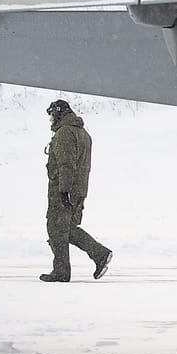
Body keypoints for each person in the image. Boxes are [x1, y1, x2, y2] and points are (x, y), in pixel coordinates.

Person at [40, 99, 113, 282]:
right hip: (79, 189)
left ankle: (62, 271)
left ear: (58, 113)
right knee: (68, 229)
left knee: (56, 228)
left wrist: (64, 191)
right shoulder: (83, 133)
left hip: (64, 189)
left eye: (51, 115)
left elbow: (66, 164)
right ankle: (99, 255)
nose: (50, 119)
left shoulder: (65, 133)